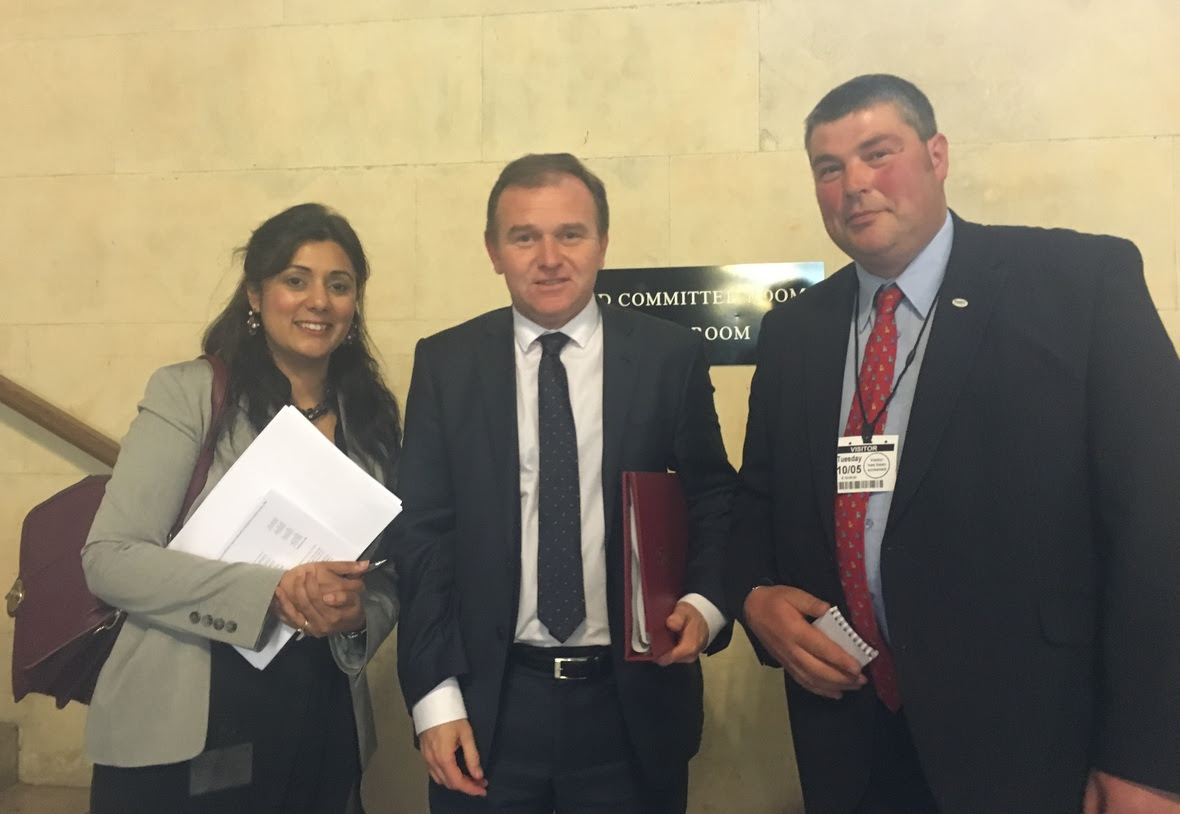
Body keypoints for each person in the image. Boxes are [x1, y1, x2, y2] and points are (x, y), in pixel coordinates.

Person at [726, 73, 1180, 813]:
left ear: (937, 155)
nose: (856, 185)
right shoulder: (794, 332)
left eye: (879, 153)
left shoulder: (1081, 285)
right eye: (829, 168)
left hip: (1038, 741)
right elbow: (760, 501)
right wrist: (754, 596)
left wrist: (1150, 759)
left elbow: (1162, 527)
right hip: (853, 739)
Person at [392, 153, 736, 813]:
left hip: (631, 704)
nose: (549, 257)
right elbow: (424, 535)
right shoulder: (447, 363)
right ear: (494, 251)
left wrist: (706, 601)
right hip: (489, 705)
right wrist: (434, 697)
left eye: (570, 234)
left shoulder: (669, 356)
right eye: (525, 237)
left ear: (603, 243)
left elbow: (712, 495)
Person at [82, 203, 402, 814]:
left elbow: (389, 575)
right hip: (191, 719)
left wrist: (360, 613)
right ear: (256, 295)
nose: (319, 300)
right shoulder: (191, 393)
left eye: (339, 285)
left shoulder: (372, 421)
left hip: (323, 718)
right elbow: (111, 559)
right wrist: (271, 593)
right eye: (295, 279)